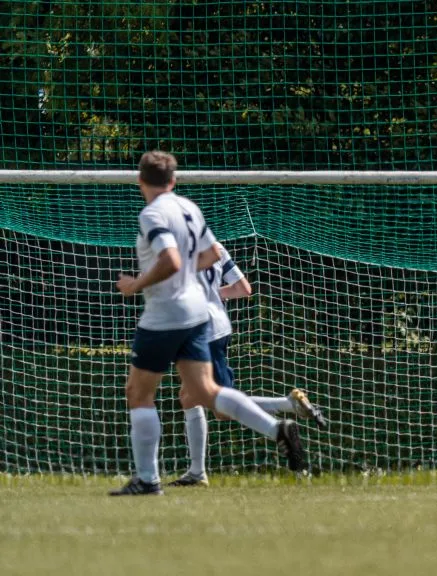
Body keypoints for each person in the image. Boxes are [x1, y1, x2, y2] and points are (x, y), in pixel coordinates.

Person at [111, 151, 305, 496]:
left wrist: (136, 284)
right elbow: (214, 254)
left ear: (140, 180)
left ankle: (147, 479)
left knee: (138, 393)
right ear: (173, 181)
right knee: (204, 393)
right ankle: (278, 428)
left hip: (165, 314)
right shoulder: (189, 208)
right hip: (198, 313)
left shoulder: (152, 213)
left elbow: (170, 260)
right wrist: (186, 271)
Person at [170, 241, 327, 487]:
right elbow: (244, 289)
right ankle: (196, 472)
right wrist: (215, 294)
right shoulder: (215, 246)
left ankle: (285, 412)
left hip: (201, 331)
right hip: (218, 327)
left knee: (219, 407)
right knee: (189, 397)